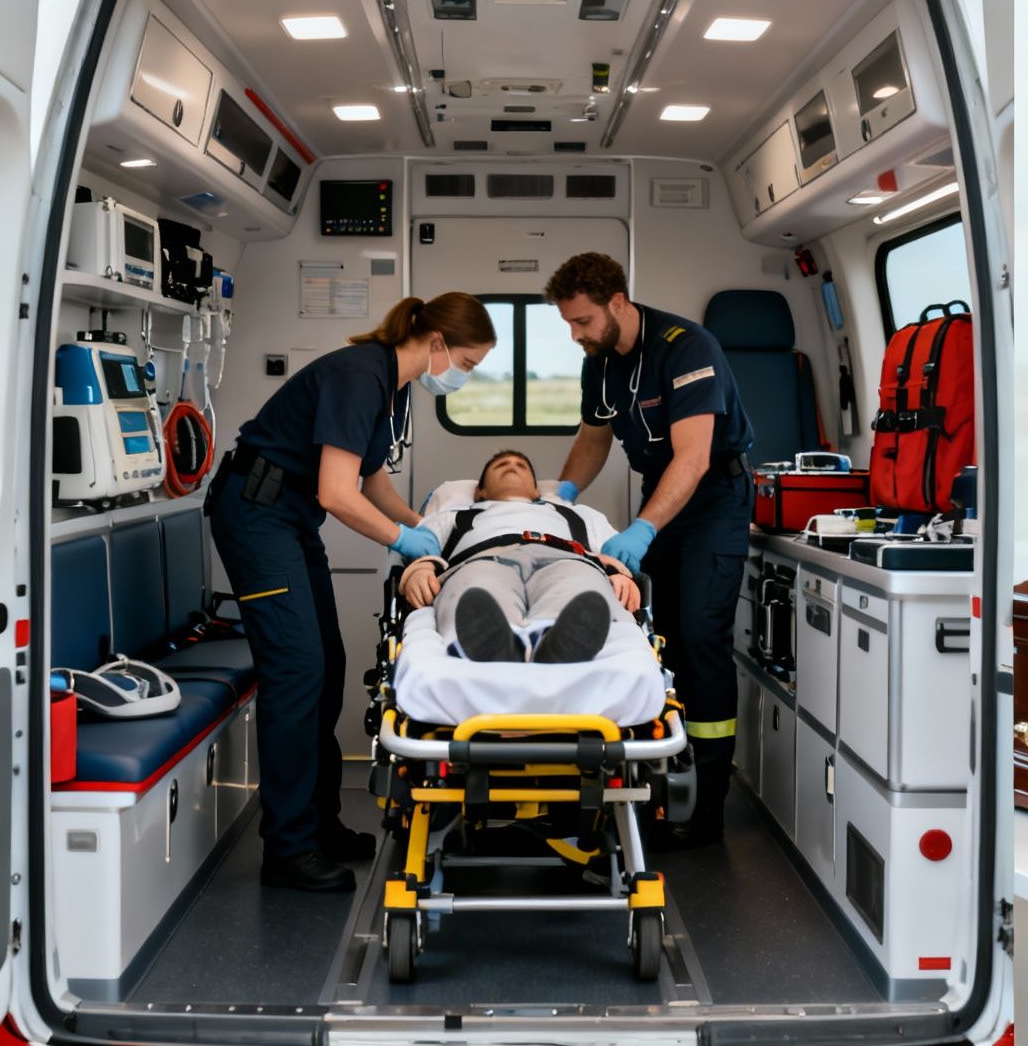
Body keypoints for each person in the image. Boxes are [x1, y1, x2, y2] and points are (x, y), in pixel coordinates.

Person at [208, 294, 495, 892]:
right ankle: (286, 850)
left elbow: (371, 480)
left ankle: (319, 823)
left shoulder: (392, 388)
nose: (461, 377)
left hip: (290, 519)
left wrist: (430, 530)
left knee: (328, 664)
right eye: (466, 363)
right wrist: (404, 542)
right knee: (296, 670)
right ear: (437, 341)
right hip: (258, 517)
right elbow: (339, 495)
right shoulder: (359, 376)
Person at [544, 252, 756, 849]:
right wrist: (560, 494)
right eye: (568, 323)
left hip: (712, 499)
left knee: (699, 636)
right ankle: (661, 783)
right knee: (653, 635)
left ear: (617, 303)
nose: (575, 334)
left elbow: (692, 460)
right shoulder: (601, 362)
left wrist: (642, 531)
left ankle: (707, 809)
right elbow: (594, 437)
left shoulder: (686, 348)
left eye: (582, 321)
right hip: (661, 496)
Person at [397, 449, 641, 663]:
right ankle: (498, 645)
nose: (512, 465)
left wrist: (620, 575)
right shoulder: (451, 516)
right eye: (501, 464)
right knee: (476, 590)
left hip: (567, 559)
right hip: (481, 559)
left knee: (581, 587)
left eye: (521, 465)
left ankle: (555, 645)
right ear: (479, 492)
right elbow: (423, 549)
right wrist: (419, 571)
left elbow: (612, 553)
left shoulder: (578, 514)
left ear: (537, 491)